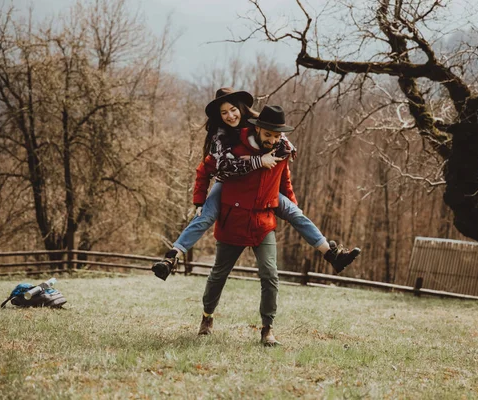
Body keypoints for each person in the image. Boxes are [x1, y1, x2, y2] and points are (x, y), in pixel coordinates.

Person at [152, 88, 361, 282]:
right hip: (229, 185)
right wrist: (200, 200)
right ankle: (172, 257)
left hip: (261, 189)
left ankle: (331, 254)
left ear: (241, 108)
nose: (230, 116)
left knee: (296, 214)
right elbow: (223, 166)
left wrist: (288, 148)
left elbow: (279, 142)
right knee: (205, 216)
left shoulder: (258, 124)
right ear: (219, 116)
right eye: (224, 113)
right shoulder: (220, 136)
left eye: (233, 110)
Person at [198, 105, 299, 345]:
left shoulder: (280, 150)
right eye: (268, 134)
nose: (273, 139)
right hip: (233, 221)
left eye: (277, 135)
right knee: (219, 274)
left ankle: (267, 329)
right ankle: (207, 316)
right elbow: (206, 169)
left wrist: (293, 208)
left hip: (263, 223)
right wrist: (199, 200)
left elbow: (285, 181)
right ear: (258, 129)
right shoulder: (233, 150)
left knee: (270, 275)